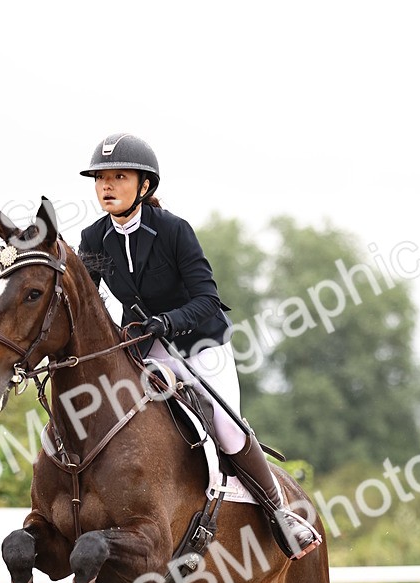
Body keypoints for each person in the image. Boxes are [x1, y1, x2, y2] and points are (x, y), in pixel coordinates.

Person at [78, 132, 320, 560]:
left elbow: (207, 298)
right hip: (148, 348)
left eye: (118, 177)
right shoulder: (94, 238)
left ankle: (280, 514)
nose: (107, 187)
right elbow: (89, 304)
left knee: (225, 428)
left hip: (200, 344)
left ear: (145, 186)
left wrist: (166, 321)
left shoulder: (173, 231)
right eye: (100, 179)